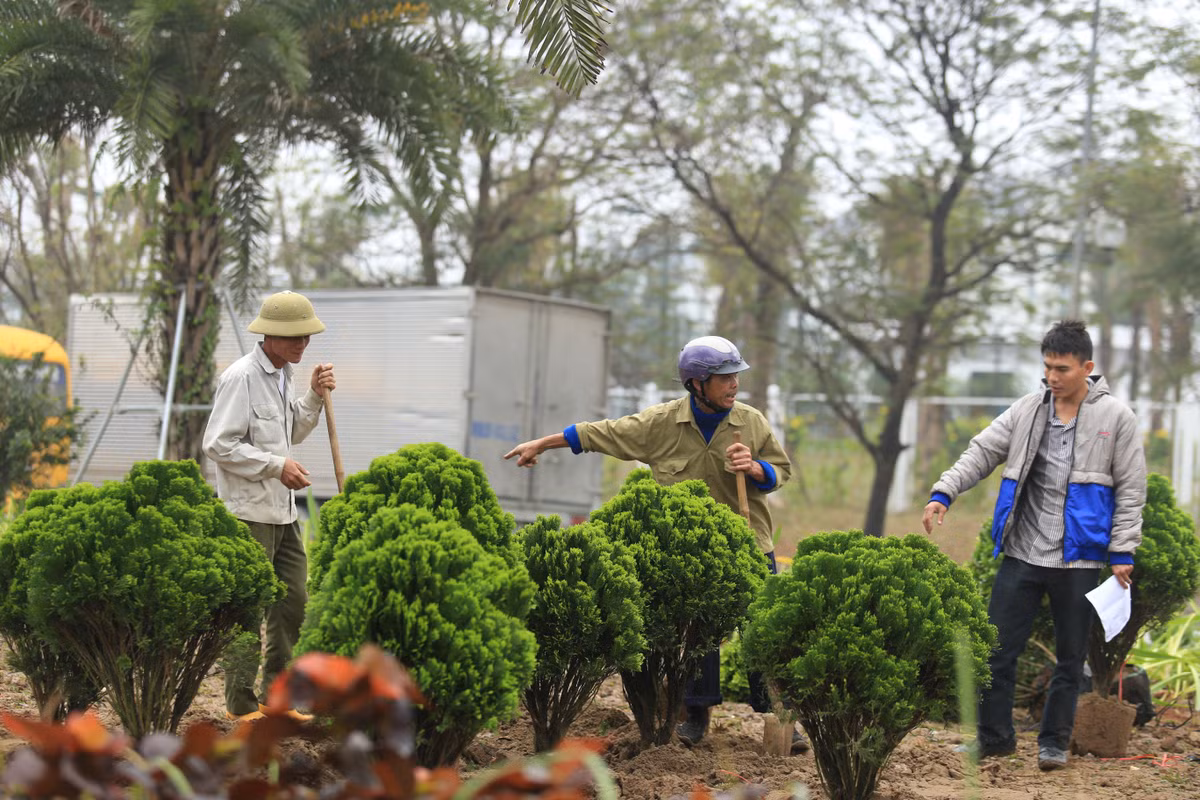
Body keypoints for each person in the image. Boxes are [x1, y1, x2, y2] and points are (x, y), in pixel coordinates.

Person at [505, 335, 806, 752]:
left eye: (736, 375)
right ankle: (696, 715)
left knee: (763, 631)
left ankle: (782, 717)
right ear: (696, 383)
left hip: (750, 546)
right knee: (694, 637)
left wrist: (756, 468)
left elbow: (782, 471)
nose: (734, 384)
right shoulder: (660, 424)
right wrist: (543, 443)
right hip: (691, 557)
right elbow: (602, 433)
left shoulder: (750, 422)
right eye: (724, 378)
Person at [922, 320, 1145, 771]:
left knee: (1070, 658)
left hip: (1079, 557)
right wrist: (943, 492)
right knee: (997, 650)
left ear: (1088, 368)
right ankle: (995, 739)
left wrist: (1122, 552)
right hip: (1021, 552)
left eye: (1061, 368)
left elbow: (1132, 489)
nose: (1052, 377)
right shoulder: (1026, 410)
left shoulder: (1116, 418)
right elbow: (982, 451)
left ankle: (1053, 743)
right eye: (1047, 367)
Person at [202, 290, 336, 722]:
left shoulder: (283, 374)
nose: (303, 344)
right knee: (248, 611)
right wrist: (276, 467)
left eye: (307, 337)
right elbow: (218, 444)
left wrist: (314, 396)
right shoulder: (241, 377)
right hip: (247, 515)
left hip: (283, 512)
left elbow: (290, 430)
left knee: (293, 603)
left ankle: (277, 699)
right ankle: (242, 708)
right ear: (271, 336)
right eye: (296, 336)